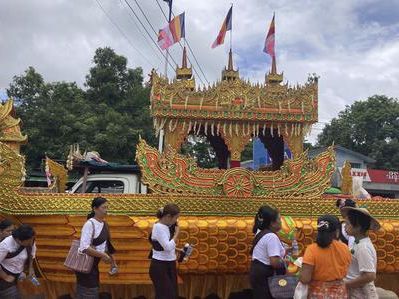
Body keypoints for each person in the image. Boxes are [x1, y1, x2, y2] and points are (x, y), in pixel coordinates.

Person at [299, 215, 352, 298]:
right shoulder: (344, 248)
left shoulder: (311, 250)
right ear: (337, 231)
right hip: (339, 294)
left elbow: (305, 279)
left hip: (318, 294)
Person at [76, 197, 116, 299]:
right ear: (95, 209)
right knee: (89, 292)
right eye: (103, 207)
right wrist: (102, 255)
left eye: (107, 207)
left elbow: (107, 246)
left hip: (94, 265)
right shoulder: (89, 224)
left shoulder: (105, 224)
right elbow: (84, 247)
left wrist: (113, 263)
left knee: (93, 291)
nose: (106, 210)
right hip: (85, 266)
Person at [341, 207, 380, 299]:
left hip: (361, 293)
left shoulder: (363, 247)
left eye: (347, 223)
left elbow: (370, 275)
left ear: (358, 226)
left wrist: (346, 284)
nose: (345, 226)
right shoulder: (358, 242)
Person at [249, 205, 286, 299]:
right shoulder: (271, 237)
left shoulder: (261, 232)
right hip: (267, 277)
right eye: (279, 219)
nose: (281, 222)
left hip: (257, 273)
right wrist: (285, 262)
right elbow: (274, 262)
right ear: (272, 223)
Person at [149, 203, 181, 299]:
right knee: (166, 295)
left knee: (173, 294)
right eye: (175, 218)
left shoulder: (167, 226)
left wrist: (177, 250)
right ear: (168, 216)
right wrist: (177, 234)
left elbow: (162, 245)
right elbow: (167, 246)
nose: (176, 221)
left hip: (169, 263)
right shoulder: (159, 227)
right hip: (160, 265)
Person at [0, 224, 36, 299]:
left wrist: (30, 268)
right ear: (19, 240)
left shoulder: (30, 239)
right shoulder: (5, 244)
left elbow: (31, 254)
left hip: (19, 274)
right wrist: (5, 277)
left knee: (33, 291)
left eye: (32, 239)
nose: (31, 242)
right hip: (5, 275)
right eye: (29, 241)